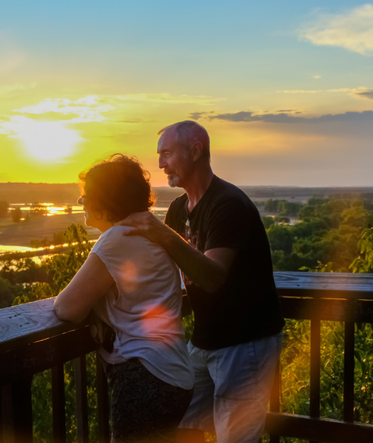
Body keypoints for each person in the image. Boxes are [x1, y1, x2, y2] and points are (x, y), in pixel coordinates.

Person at [116, 121, 285, 443]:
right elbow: (163, 273)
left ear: (196, 151)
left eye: (166, 154)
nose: (161, 164)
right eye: (159, 155)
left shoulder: (227, 205)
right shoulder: (179, 209)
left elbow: (213, 276)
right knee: (178, 424)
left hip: (245, 341)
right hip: (205, 340)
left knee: (235, 437)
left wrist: (162, 233)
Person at [53, 154, 194, 443]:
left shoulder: (118, 238)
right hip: (172, 372)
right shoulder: (148, 233)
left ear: (105, 201)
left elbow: (67, 308)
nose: (81, 202)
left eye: (86, 195)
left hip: (146, 375)